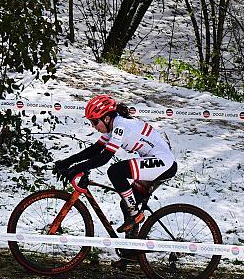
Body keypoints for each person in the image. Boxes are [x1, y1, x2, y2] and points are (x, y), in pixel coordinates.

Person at [54, 94, 177, 232]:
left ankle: (135, 215)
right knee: (127, 203)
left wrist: (77, 168)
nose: (94, 127)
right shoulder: (114, 124)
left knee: (115, 172)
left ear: (106, 118)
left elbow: (104, 157)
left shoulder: (120, 126)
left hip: (164, 162)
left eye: (94, 122)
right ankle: (132, 248)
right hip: (156, 160)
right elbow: (95, 149)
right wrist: (67, 162)